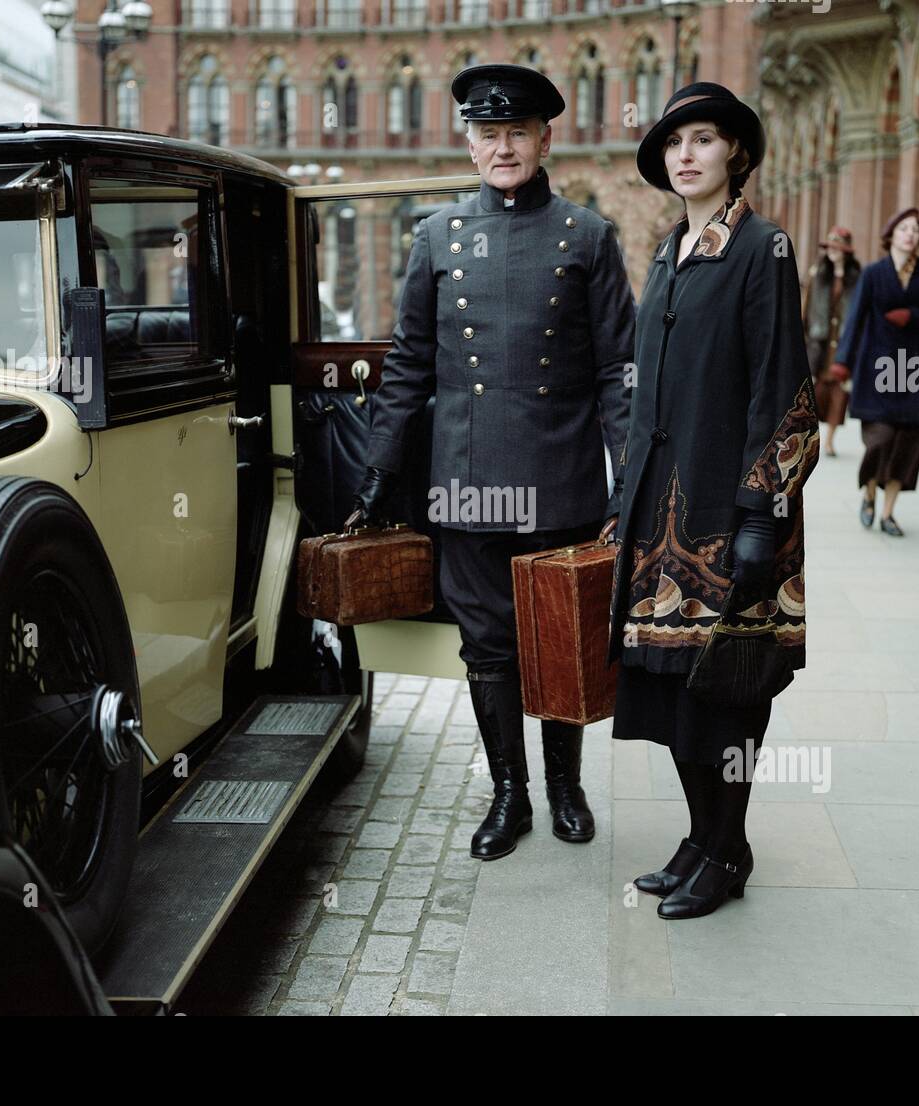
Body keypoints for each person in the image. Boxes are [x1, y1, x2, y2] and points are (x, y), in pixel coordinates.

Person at [349, 64, 635, 860]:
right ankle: (509, 792)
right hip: (469, 480)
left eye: (518, 133)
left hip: (560, 476)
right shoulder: (436, 236)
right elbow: (408, 360)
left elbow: (619, 368)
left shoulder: (587, 236)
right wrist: (379, 467)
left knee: (562, 634)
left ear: (547, 140)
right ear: (468, 144)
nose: (502, 147)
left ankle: (567, 787)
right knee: (489, 642)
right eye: (488, 134)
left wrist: (629, 476)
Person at [606, 83, 818, 920]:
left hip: (728, 521)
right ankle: (703, 841)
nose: (684, 154)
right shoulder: (667, 251)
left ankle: (727, 853)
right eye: (673, 143)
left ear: (734, 152)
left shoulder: (763, 248)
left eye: (702, 139)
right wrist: (623, 500)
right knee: (671, 693)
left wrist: (763, 511)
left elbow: (785, 388)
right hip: (657, 518)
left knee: (726, 693)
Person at [829, 207, 919, 537]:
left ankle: (888, 513)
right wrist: (842, 360)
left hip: (914, 366)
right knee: (880, 439)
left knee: (907, 443)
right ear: (891, 234)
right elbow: (856, 317)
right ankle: (869, 491)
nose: (911, 235)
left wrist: (913, 316)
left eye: (916, 231)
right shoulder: (874, 273)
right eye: (905, 229)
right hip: (876, 364)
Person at [802, 226, 860, 458]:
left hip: (843, 341)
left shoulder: (856, 278)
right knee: (816, 391)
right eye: (830, 248)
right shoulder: (818, 274)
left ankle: (829, 441)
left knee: (839, 393)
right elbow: (807, 307)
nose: (833, 252)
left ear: (846, 251)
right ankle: (810, 438)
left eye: (838, 248)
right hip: (820, 341)